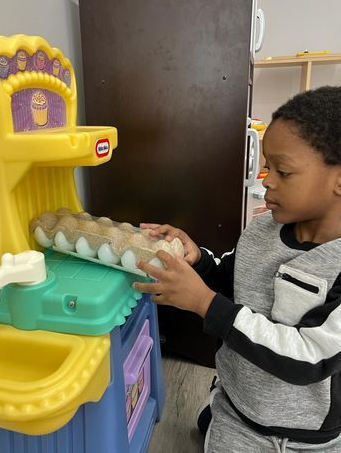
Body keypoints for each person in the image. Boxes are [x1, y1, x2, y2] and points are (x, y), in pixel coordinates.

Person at [133, 86, 341, 452]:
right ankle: (223, 409)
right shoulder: (263, 229)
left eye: (283, 171)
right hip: (237, 401)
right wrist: (197, 258)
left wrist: (207, 305)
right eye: (266, 166)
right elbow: (234, 273)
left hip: (300, 435)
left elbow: (309, 356)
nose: (267, 180)